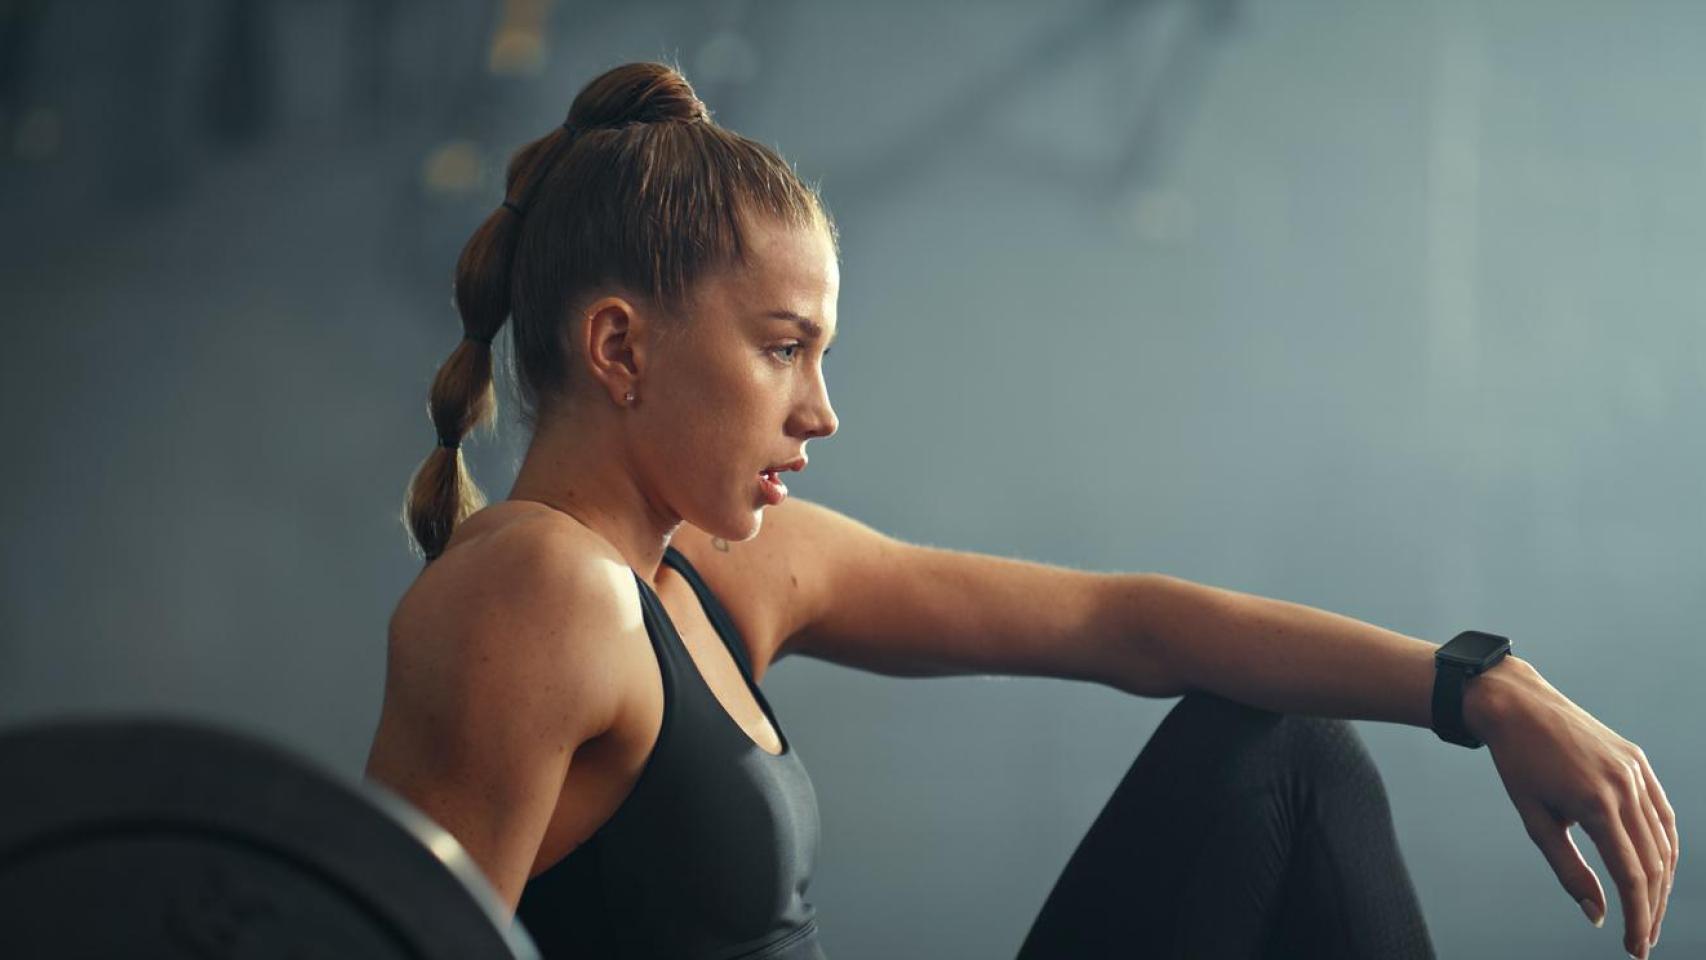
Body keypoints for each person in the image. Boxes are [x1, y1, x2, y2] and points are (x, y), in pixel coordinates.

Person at [362, 61, 1677, 960]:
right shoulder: (537, 588)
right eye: (781, 348)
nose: (820, 410)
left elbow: (1126, 627)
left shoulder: (718, 571)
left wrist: (1478, 686)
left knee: (1287, 761)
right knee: (1293, 766)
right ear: (617, 346)